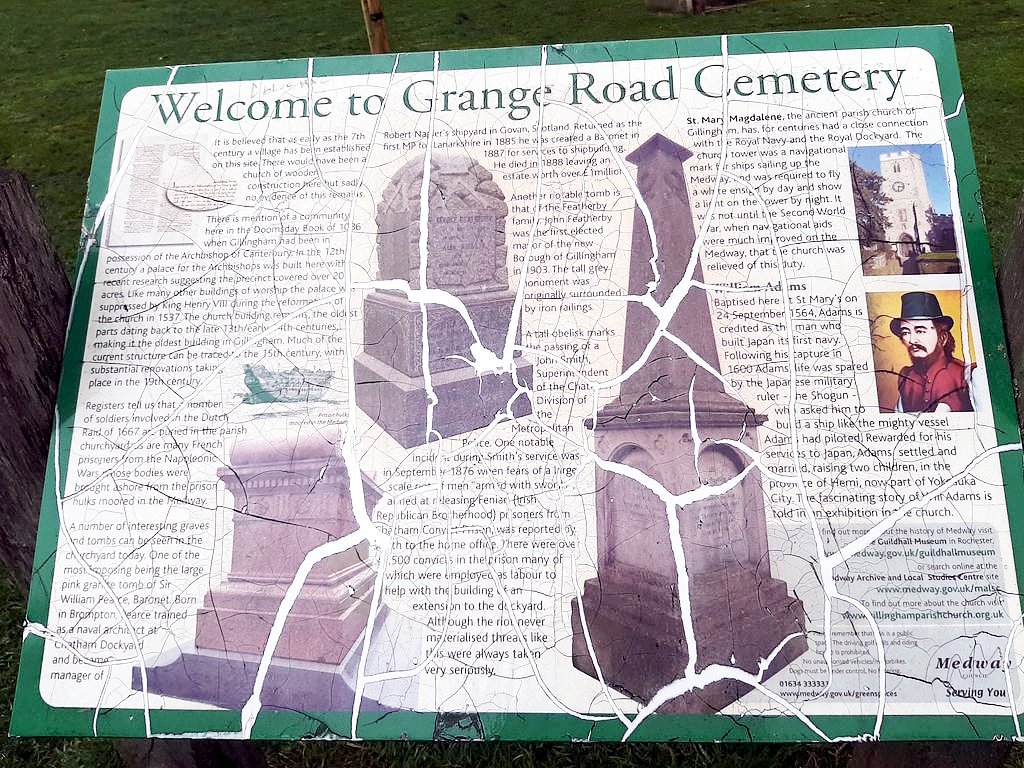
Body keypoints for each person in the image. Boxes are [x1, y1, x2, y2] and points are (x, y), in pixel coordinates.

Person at [889, 291, 973, 413]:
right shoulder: (906, 378)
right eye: (906, 332)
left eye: (920, 331)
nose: (912, 340)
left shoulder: (966, 374)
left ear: (942, 337)